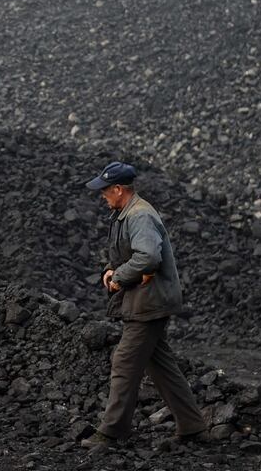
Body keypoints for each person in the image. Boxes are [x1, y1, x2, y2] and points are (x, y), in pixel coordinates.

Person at [80, 161, 207, 447]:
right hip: (147, 300)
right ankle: (193, 427)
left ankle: (112, 433)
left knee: (124, 362)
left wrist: (120, 276)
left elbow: (148, 257)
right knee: (160, 364)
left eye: (105, 191)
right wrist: (113, 270)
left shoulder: (139, 215)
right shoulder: (128, 213)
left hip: (150, 304)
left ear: (118, 189)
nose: (102, 196)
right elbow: (135, 256)